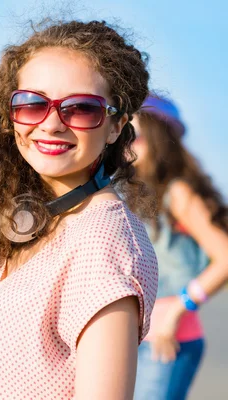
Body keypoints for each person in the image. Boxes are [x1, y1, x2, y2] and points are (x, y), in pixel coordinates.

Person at [0, 20, 159, 399]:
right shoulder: (27, 218)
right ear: (10, 118)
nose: (52, 124)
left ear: (114, 126)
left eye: (81, 109)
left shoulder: (103, 240)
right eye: (31, 105)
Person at [131, 95, 228, 399]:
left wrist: (176, 312)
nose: (126, 147)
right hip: (137, 340)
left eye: (135, 137)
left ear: (158, 139)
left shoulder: (178, 192)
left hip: (168, 341)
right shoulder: (135, 194)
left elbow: (225, 259)